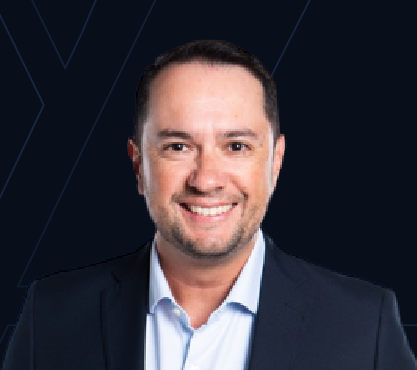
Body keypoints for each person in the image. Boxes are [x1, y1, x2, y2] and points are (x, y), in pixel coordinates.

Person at [3, 40, 416, 370]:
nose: (206, 180)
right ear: (138, 165)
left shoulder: (365, 327)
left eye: (236, 146)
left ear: (275, 163)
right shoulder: (51, 317)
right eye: (177, 146)